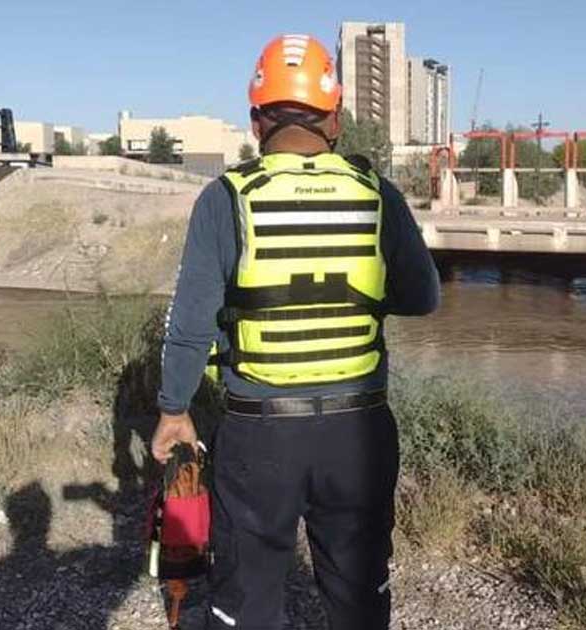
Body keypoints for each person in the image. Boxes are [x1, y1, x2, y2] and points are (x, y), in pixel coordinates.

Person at [150, 34, 440, 630]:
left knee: (247, 597)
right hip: (358, 432)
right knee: (358, 591)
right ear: (334, 119)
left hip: (259, 437)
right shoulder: (377, 195)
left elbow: (190, 323)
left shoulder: (225, 198)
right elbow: (423, 297)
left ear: (257, 120)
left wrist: (173, 409)